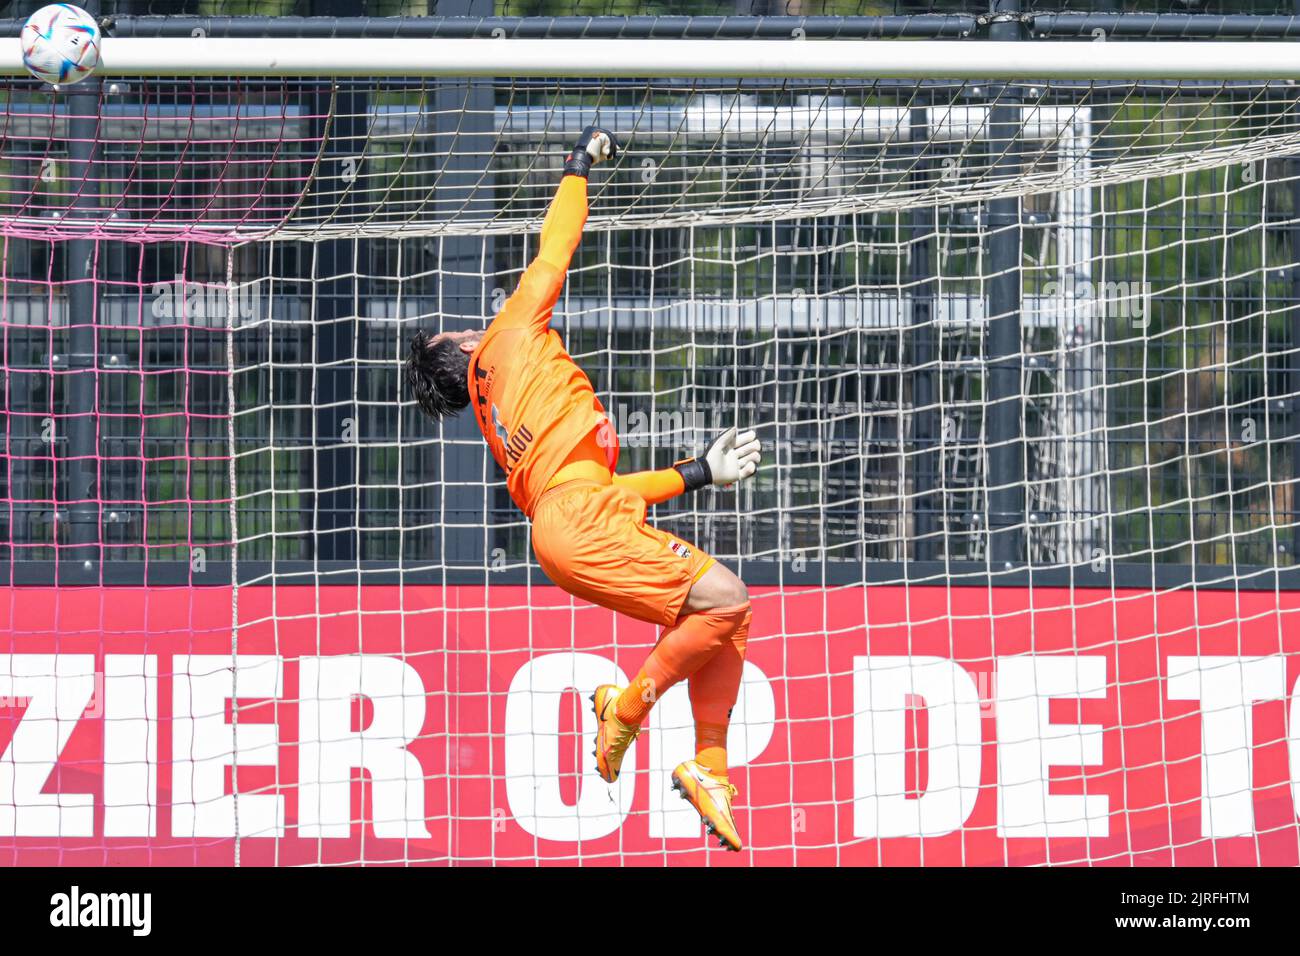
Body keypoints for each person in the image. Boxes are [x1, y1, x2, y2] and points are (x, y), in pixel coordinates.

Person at [406, 127, 761, 851]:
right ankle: (625, 710)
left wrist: (698, 472)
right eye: (459, 330)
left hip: (569, 522)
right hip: (576, 522)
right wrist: (577, 165)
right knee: (726, 599)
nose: (472, 323)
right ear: (465, 348)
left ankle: (710, 767)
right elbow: (555, 250)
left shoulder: (500, 415)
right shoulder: (507, 335)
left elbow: (601, 494)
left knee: (720, 613)